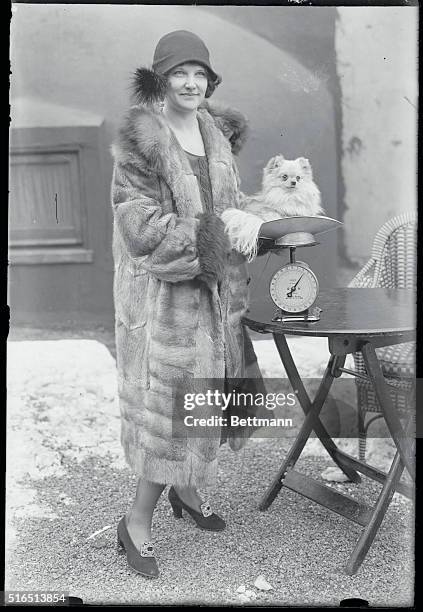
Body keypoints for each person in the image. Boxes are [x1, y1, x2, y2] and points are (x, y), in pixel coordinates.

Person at [111, 30, 265, 578]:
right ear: (160, 80)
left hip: (217, 296)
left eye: (200, 74)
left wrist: (257, 219)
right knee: (170, 423)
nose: (192, 83)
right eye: (180, 73)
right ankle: (136, 523)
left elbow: (230, 208)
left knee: (207, 402)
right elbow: (139, 227)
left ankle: (189, 494)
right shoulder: (141, 144)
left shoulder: (215, 135)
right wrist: (211, 235)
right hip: (166, 305)